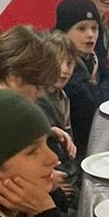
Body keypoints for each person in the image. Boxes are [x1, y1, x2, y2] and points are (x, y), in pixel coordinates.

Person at [0, 26, 76, 207]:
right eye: (37, 86)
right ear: (13, 75)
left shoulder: (5, 105)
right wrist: (45, 182)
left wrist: (47, 131)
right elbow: (4, 187)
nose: (39, 94)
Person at [54, 0, 109, 154]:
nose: (90, 35)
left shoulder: (90, 57)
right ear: (63, 33)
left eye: (94, 28)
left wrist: (107, 83)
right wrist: (108, 84)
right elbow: (93, 103)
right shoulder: (64, 67)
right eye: (81, 29)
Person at [37, 34, 81, 208]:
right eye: (57, 63)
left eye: (69, 63)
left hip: (68, 172)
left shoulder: (61, 96)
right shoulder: (38, 101)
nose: (64, 70)